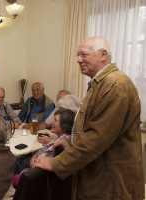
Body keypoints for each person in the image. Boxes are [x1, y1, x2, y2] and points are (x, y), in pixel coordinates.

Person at [34, 37, 144, 199]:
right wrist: (71, 141)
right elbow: (94, 129)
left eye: (84, 55)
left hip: (111, 184)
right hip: (100, 178)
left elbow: (96, 138)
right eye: (78, 55)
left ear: (103, 55)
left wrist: (56, 163)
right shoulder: (100, 84)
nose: (79, 60)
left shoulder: (115, 85)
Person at [13, 108, 75, 185]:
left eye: (55, 120)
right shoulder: (64, 138)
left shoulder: (60, 144)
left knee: (16, 160)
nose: (51, 122)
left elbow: (40, 167)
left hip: (34, 177)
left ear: (64, 127)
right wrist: (35, 155)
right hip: (36, 172)